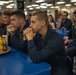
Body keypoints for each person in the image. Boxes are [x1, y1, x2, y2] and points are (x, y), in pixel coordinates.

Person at [24, 11, 68, 75]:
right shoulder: (37, 34)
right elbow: (24, 50)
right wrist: (25, 38)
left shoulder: (55, 39)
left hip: (56, 67)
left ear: (42, 23)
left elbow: (35, 57)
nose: (30, 25)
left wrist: (30, 39)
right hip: (44, 63)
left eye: (33, 22)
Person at [64, 11, 76, 75]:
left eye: (75, 16)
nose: (73, 18)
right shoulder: (73, 25)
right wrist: (66, 36)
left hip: (75, 45)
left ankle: (70, 72)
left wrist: (68, 46)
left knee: (67, 52)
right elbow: (70, 33)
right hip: (73, 44)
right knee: (61, 46)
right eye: (73, 16)